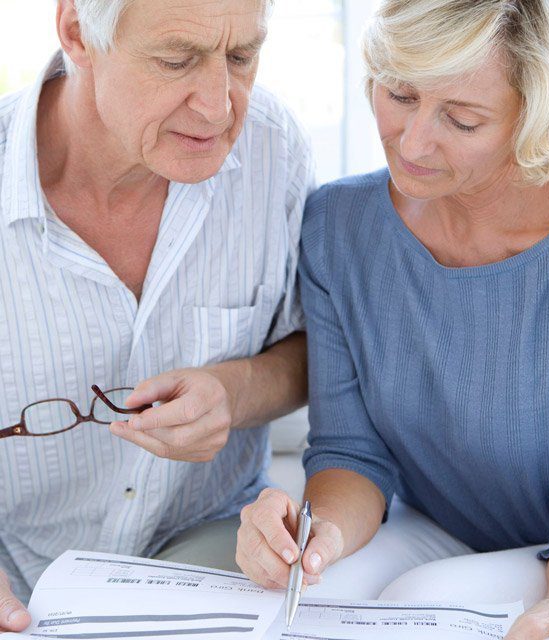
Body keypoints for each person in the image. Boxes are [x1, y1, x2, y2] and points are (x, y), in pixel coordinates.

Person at [236, 1, 549, 638]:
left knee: (424, 599)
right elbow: (351, 455)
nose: (413, 140)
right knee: (294, 602)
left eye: (462, 119)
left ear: (538, 118)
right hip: (436, 525)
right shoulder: (339, 226)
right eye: (399, 93)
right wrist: (315, 537)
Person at [0, 0, 314, 631]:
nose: (219, 105)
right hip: (18, 573)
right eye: (177, 60)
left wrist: (234, 390)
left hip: (213, 554)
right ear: (76, 32)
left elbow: (316, 349)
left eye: (242, 56)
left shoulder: (274, 152)